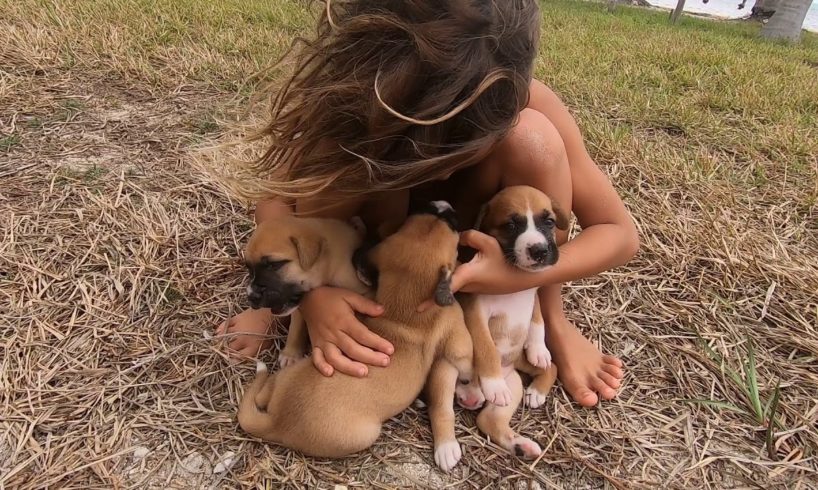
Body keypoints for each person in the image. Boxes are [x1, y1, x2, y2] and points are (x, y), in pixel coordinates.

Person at [215, 0, 638, 407]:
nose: (436, 170)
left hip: (484, 236)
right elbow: (277, 198)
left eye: (460, 142)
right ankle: (305, 295)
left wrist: (515, 280)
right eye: (414, 141)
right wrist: (309, 298)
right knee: (338, 145)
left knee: (536, 141)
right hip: (382, 237)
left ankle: (551, 319)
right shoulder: (355, 95)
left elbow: (618, 233)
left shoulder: (525, 99)